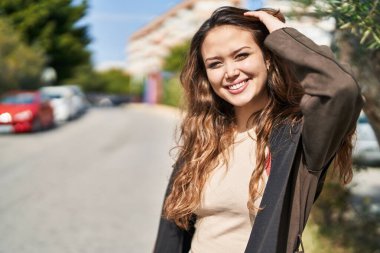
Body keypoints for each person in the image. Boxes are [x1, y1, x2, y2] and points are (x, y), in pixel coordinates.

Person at [154, 6, 363, 253]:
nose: (230, 72)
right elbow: (171, 234)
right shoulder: (204, 137)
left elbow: (340, 88)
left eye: (241, 55)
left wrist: (282, 34)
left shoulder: (297, 136)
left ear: (267, 57)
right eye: (215, 64)